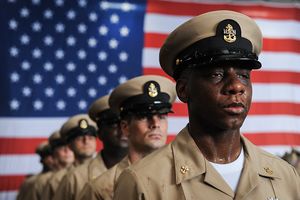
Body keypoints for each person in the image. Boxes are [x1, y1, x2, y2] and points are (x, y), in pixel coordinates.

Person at [113, 10, 300, 200]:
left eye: (244, 75)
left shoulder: (285, 177)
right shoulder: (143, 182)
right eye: (216, 74)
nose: (236, 86)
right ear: (184, 89)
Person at [79, 75, 176, 200]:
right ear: (125, 127)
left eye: (162, 116)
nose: (155, 124)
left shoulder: (184, 174)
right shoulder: (100, 188)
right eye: (144, 116)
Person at [54, 94, 129, 200]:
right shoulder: (74, 178)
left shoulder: (147, 171)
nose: (122, 130)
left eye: (125, 123)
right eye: (114, 124)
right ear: (100, 133)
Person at [53, 114, 98, 200]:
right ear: (69, 145)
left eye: (90, 138)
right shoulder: (58, 179)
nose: (86, 141)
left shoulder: (108, 171)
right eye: (80, 138)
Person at [42, 131, 75, 200]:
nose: (67, 150)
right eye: (61, 147)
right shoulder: (44, 181)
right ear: (53, 152)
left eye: (70, 146)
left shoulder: (80, 175)